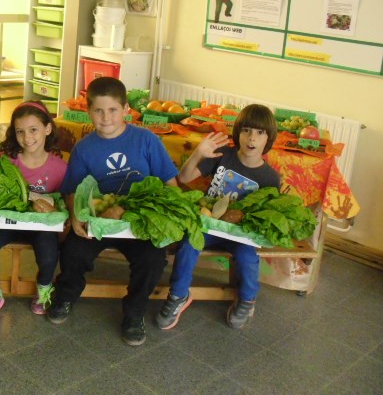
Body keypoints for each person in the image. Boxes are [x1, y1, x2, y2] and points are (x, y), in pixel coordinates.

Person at [47, 77, 179, 346]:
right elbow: (72, 191)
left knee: (152, 260)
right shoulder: (84, 148)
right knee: (73, 251)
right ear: (89, 111)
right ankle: (65, 297)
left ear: (126, 109)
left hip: (139, 220)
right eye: (98, 110)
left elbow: (170, 184)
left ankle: (134, 313)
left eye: (112, 110)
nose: (106, 118)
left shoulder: (146, 140)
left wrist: (166, 216)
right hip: (99, 219)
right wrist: (75, 217)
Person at [156, 104, 280, 330]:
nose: (252, 138)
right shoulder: (224, 155)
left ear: (268, 138)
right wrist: (198, 153)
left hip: (239, 233)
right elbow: (184, 178)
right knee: (188, 245)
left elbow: (265, 216)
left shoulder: (270, 178)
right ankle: (178, 295)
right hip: (208, 226)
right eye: (246, 130)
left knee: (248, 257)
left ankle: (247, 300)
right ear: (238, 133)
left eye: (260, 132)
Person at [0, 101, 67, 329]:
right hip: (7, 221)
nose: (27, 137)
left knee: (48, 253)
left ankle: (43, 288)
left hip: (40, 226)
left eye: (33, 129)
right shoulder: (4, 159)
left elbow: (64, 201)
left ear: (47, 128)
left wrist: (55, 212)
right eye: (20, 132)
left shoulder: (60, 167)